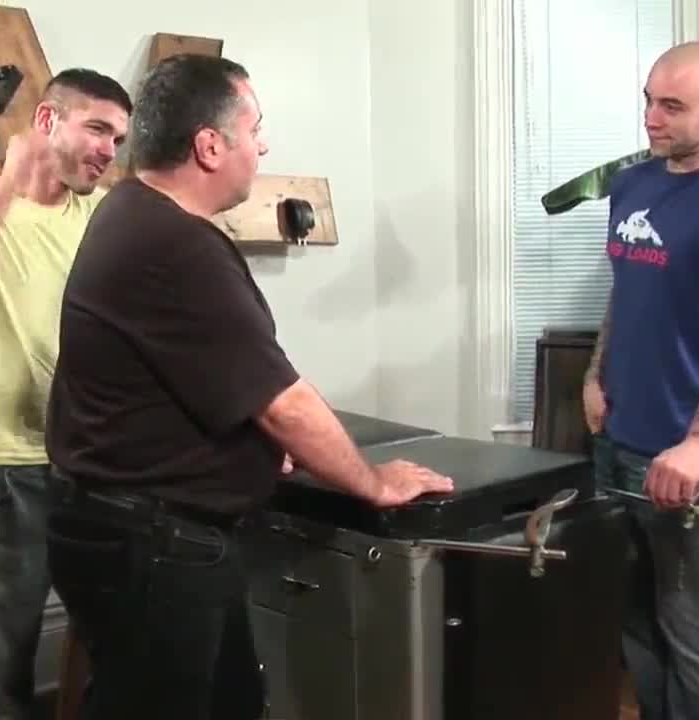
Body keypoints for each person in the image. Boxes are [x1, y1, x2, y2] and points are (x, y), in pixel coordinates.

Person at [42, 54, 454, 719]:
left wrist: (251, 443)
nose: (263, 146)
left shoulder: (132, 210)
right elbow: (284, 403)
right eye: (255, 128)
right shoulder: (175, 243)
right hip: (153, 546)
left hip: (134, 534)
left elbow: (196, 373)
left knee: (228, 701)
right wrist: (374, 483)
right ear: (210, 146)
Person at [0, 68, 132, 720]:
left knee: (115, 635)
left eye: (118, 139)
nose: (108, 150)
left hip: (90, 463)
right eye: (97, 128)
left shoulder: (104, 216)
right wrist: (10, 186)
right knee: (5, 658)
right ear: (46, 120)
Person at [581, 41, 699, 720]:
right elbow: (626, 290)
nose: (651, 118)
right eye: (648, 100)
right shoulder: (632, 185)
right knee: (636, 620)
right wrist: (595, 373)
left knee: (694, 631)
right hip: (617, 441)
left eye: (671, 105)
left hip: (683, 458)